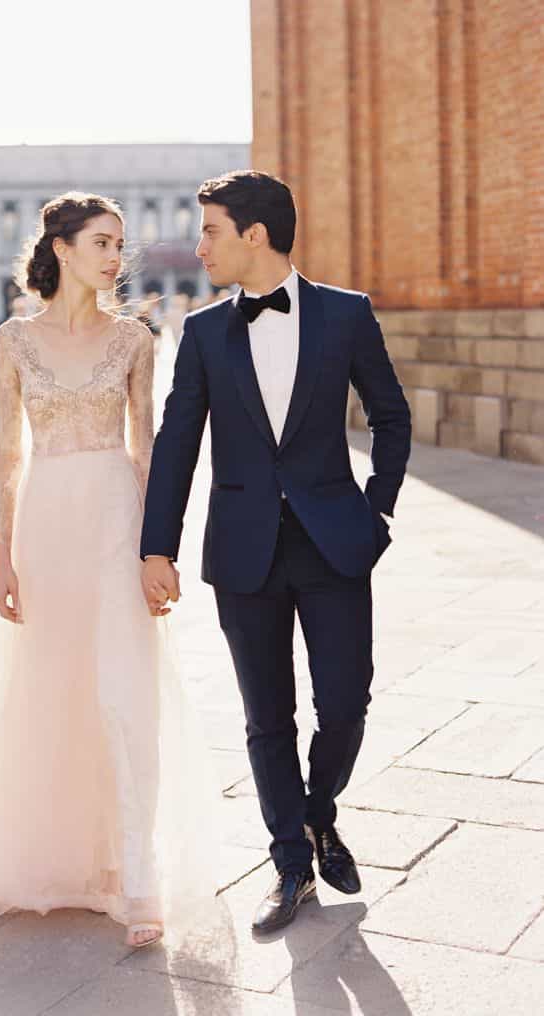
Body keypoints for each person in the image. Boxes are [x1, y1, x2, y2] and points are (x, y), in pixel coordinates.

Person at [0, 192, 218, 949]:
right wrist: (0, 554)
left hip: (117, 516)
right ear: (62, 248)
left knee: (126, 686)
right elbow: (6, 452)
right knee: (48, 688)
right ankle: (52, 860)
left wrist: (160, 551)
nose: (116, 256)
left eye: (120, 242)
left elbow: (147, 449)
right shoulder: (12, 340)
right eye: (101, 242)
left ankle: (136, 878)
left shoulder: (136, 340)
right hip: (46, 524)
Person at [140, 171, 411, 934]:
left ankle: (319, 813)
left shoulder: (346, 315)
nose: (200, 248)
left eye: (211, 231)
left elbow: (391, 417)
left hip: (335, 543)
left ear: (254, 235)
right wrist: (155, 546)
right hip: (243, 549)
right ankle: (290, 856)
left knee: (346, 703)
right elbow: (176, 446)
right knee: (268, 719)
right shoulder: (200, 332)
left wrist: (377, 511)